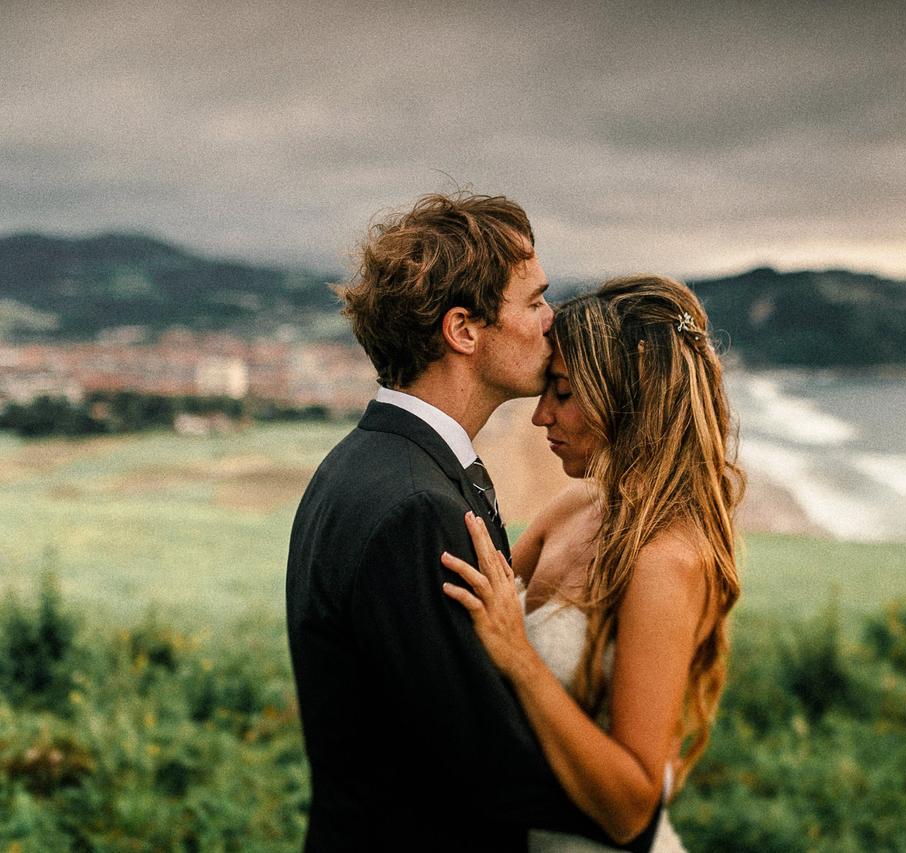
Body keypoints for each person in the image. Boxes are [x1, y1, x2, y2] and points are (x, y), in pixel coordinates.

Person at [285, 192, 660, 851]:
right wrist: (636, 815)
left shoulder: (355, 463)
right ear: (463, 330)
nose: (553, 321)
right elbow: (483, 759)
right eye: (535, 301)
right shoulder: (417, 507)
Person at [441, 275, 744, 851]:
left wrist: (520, 658)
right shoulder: (572, 506)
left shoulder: (664, 561)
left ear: (626, 397)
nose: (539, 417)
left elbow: (632, 809)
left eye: (562, 391)